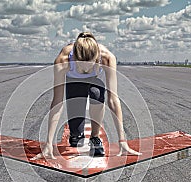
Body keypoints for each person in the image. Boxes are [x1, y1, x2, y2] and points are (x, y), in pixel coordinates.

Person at [32, 32, 141, 160]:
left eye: (90, 67)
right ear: (75, 60)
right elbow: (57, 102)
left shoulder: (107, 58)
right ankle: (76, 134)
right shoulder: (63, 60)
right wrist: (48, 144)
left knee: (97, 94)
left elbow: (113, 99)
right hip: (74, 81)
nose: (86, 72)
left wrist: (122, 141)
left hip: (96, 80)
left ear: (97, 59)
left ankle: (95, 137)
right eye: (82, 68)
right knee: (76, 132)